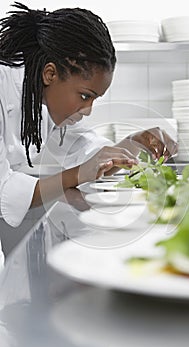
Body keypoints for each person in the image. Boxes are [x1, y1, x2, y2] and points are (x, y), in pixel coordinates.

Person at [0, 2, 178, 230]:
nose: (88, 110)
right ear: (50, 73)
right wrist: (77, 175)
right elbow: (3, 190)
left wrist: (133, 144)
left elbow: (84, 149)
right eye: (85, 96)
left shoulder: (41, 95)